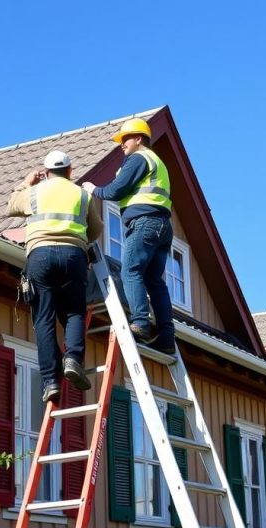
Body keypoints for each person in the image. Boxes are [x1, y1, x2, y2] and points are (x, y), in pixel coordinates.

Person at [8, 150, 103, 403]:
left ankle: (51, 382)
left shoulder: (36, 192)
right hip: (74, 256)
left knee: (44, 319)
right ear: (70, 171)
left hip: (40, 256)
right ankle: (72, 359)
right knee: (74, 312)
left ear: (46, 172)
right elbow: (96, 230)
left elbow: (11, 205)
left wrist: (27, 182)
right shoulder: (81, 194)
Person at [82, 118, 176, 354]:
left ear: (138, 138)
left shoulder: (138, 158)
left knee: (130, 271)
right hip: (162, 226)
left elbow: (115, 190)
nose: (121, 144)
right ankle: (166, 335)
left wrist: (92, 189)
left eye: (125, 139)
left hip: (145, 223)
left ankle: (141, 324)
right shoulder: (156, 162)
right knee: (155, 281)